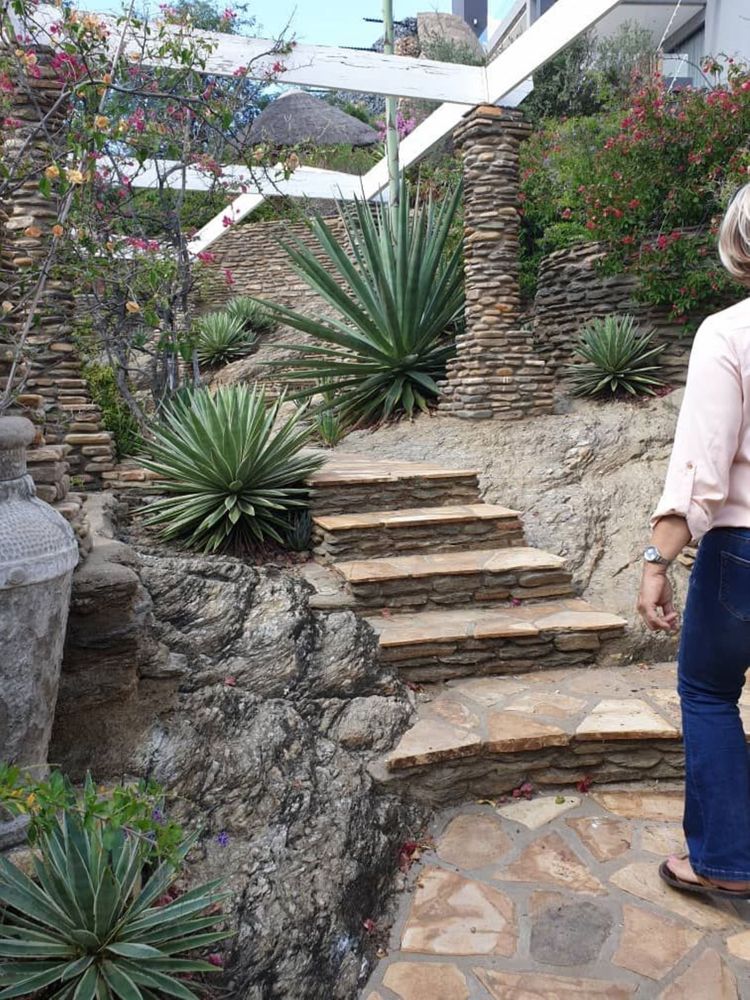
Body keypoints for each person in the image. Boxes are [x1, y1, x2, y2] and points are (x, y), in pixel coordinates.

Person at [638, 183, 750, 899]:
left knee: (708, 692)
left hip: (743, 551)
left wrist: (657, 559)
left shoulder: (730, 333)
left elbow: (701, 472)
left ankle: (727, 861)